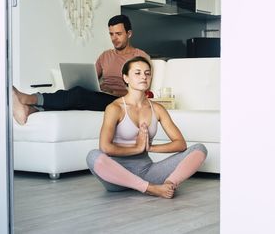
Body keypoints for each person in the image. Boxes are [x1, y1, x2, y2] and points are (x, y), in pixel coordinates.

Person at [86, 56, 207, 198]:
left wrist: (150, 148)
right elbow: (105, 148)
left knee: (199, 149)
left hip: (147, 172)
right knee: (93, 156)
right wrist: (137, 148)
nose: (143, 77)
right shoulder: (115, 108)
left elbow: (180, 144)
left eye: (147, 73)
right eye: (137, 73)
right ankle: (150, 189)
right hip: (117, 177)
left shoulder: (157, 109)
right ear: (126, 78)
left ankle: (168, 186)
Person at [12, 15, 150, 125]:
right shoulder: (105, 55)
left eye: (118, 34)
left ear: (129, 33)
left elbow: (143, 90)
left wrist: (115, 91)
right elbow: (91, 78)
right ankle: (30, 110)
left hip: (121, 101)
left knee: (78, 95)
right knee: (74, 95)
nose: (114, 38)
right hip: (102, 96)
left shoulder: (139, 56)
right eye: (111, 34)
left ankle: (28, 98)